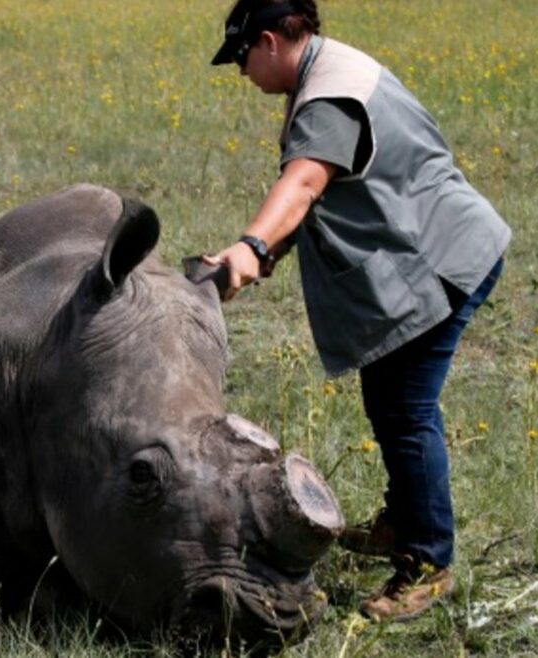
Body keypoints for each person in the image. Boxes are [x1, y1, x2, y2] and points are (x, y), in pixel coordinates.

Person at [205, 0, 511, 622]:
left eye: (242, 56)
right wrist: (266, 253)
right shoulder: (326, 73)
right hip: (432, 250)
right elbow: (322, 191)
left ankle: (427, 563)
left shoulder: (329, 96)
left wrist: (253, 245)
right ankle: (405, 521)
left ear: (269, 42)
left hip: (444, 259)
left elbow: (305, 183)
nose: (242, 72)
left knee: (406, 410)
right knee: (391, 398)